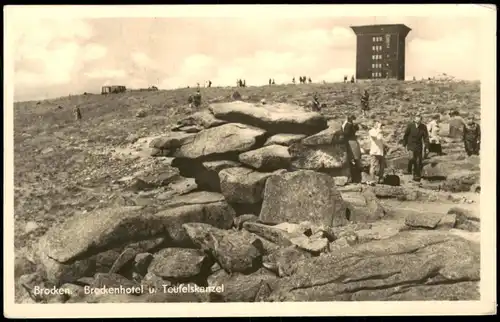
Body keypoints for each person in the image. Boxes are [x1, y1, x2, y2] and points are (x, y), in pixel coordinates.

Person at [402, 114, 430, 182]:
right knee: (412, 158)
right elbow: (406, 135)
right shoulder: (410, 125)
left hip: (418, 145)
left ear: (421, 120)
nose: (418, 121)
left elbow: (426, 137)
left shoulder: (423, 127)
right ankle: (409, 169)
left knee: (418, 161)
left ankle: (416, 175)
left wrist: (427, 147)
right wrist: (404, 144)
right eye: (416, 120)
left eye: (419, 120)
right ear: (414, 120)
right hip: (411, 144)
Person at [342, 115, 362, 183]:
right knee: (356, 159)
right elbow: (346, 133)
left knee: (354, 159)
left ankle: (355, 177)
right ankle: (357, 177)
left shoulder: (348, 124)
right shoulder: (349, 125)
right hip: (352, 142)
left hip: (350, 142)